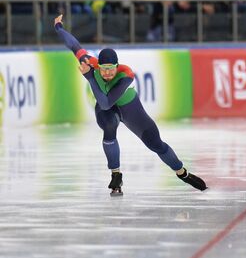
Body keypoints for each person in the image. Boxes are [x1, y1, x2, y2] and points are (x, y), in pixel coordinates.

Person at [53, 14, 207, 196]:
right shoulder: (90, 63)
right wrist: (59, 28)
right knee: (109, 126)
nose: (108, 73)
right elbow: (74, 45)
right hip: (108, 111)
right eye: (104, 70)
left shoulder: (126, 75)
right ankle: (116, 174)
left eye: (111, 69)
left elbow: (106, 101)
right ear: (98, 66)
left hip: (129, 107)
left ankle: (182, 172)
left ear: (117, 67)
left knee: (156, 144)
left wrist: (89, 78)